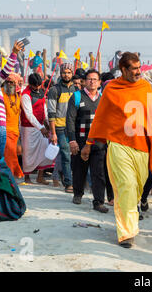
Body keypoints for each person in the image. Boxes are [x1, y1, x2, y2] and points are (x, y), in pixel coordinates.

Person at [85, 52, 152, 248]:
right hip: (119, 144)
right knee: (125, 185)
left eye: (139, 68)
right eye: (134, 69)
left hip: (142, 146)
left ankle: (131, 217)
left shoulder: (145, 87)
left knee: (136, 188)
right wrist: (89, 143)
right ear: (124, 70)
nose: (138, 72)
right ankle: (126, 233)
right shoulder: (112, 88)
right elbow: (101, 116)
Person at [66, 69, 110, 213]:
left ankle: (98, 201)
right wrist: (72, 140)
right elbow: (70, 120)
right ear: (84, 81)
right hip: (80, 141)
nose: (92, 82)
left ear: (99, 83)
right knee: (79, 169)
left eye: (95, 79)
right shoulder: (77, 97)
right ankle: (78, 194)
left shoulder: (103, 98)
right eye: (89, 79)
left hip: (99, 142)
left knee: (99, 172)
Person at [47, 63, 77, 193]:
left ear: (72, 73)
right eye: (64, 72)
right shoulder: (54, 90)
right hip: (60, 127)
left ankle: (75, 181)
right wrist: (53, 133)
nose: (66, 75)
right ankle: (69, 183)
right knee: (65, 154)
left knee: (75, 154)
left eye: (69, 72)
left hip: (73, 127)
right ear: (61, 73)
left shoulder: (76, 90)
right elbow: (51, 113)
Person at [21, 73, 54, 185]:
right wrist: (40, 128)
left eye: (39, 85)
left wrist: (46, 121)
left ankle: (40, 176)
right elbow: (29, 114)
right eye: (36, 86)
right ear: (30, 84)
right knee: (28, 152)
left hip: (41, 126)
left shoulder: (41, 92)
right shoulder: (25, 95)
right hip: (29, 128)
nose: (38, 88)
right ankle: (27, 177)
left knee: (44, 150)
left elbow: (44, 107)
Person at [2, 73, 24, 179]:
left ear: (16, 84)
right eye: (8, 82)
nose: (9, 84)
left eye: (12, 82)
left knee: (12, 153)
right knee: (9, 153)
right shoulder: (1, 93)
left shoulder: (18, 95)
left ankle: (12, 173)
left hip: (15, 130)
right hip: (4, 129)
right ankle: (10, 175)